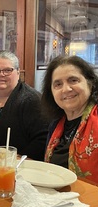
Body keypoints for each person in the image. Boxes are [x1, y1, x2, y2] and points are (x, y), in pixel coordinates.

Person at [41, 55, 98, 183]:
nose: (66, 89)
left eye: (73, 80)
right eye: (58, 84)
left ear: (90, 83)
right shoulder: (55, 125)